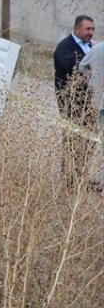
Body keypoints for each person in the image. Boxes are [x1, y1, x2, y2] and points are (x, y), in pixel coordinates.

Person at [54, 15, 95, 188]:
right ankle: (70, 178)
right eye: (88, 29)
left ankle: (81, 176)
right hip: (72, 101)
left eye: (93, 29)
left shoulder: (91, 47)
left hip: (90, 101)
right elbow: (75, 71)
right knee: (73, 138)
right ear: (77, 29)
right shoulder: (65, 47)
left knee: (89, 139)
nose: (91, 32)